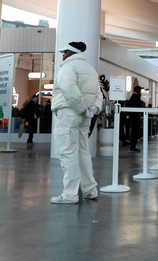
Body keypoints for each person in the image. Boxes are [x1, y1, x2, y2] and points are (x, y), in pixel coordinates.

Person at [51, 41, 103, 204]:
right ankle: (89, 189)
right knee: (82, 152)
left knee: (67, 152)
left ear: (72, 52)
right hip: (84, 115)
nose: (63, 55)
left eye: (65, 52)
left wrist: (80, 107)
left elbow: (68, 89)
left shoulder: (68, 67)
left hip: (69, 113)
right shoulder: (91, 69)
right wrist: (92, 109)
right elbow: (98, 93)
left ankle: (70, 194)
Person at [125, 82, 146, 152]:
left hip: (133, 117)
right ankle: (133, 146)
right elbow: (138, 105)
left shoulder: (134, 97)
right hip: (135, 118)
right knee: (134, 132)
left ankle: (133, 146)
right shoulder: (136, 97)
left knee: (134, 132)